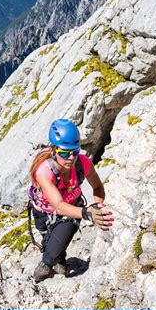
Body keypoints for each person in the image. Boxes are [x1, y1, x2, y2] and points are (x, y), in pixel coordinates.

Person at [29, 118, 113, 282]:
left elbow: (97, 186)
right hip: (44, 213)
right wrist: (87, 213)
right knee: (50, 243)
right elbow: (59, 206)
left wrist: (98, 205)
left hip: (71, 210)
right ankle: (58, 261)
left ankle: (45, 267)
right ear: (53, 149)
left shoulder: (83, 163)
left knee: (54, 248)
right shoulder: (44, 172)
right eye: (65, 153)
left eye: (75, 151)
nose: (70, 158)